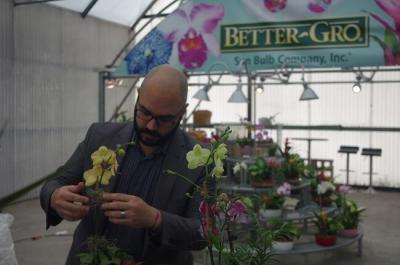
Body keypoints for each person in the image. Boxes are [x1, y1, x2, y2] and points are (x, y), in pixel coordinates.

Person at [40, 64, 206, 265]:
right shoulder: (100, 137)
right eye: (144, 112)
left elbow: (204, 231)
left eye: (165, 119)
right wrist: (55, 197)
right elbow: (55, 182)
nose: (151, 126)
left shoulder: (199, 160)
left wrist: (155, 219)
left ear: (183, 112)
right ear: (137, 97)